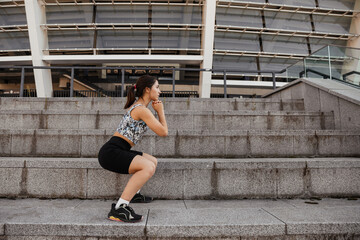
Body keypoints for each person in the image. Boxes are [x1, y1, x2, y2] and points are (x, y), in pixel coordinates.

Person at [98, 75, 168, 223]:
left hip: (119, 149)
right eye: (157, 87)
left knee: (152, 161)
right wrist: (160, 111)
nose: (159, 91)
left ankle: (134, 194)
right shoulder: (141, 109)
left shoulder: (141, 107)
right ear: (148, 90)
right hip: (112, 152)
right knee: (147, 167)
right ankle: (119, 208)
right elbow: (163, 132)